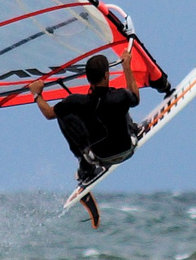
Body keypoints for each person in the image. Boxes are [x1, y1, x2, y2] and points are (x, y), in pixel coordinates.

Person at [28, 41, 142, 188]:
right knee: (121, 103)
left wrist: (37, 94)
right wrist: (126, 67)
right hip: (128, 149)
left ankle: (85, 165)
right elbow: (135, 98)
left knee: (63, 114)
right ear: (107, 75)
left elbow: (49, 114)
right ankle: (134, 129)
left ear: (88, 79)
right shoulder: (120, 96)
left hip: (100, 157)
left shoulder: (76, 102)